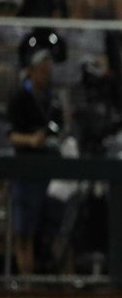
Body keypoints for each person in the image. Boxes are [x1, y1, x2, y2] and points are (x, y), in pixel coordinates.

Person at [6, 48, 63, 277]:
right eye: (42, 72)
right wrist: (31, 139)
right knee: (24, 232)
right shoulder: (20, 97)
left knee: (52, 231)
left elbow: (59, 127)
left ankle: (55, 284)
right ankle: (28, 285)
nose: (46, 76)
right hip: (26, 169)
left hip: (50, 170)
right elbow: (11, 135)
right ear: (31, 71)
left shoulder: (52, 98)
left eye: (48, 72)